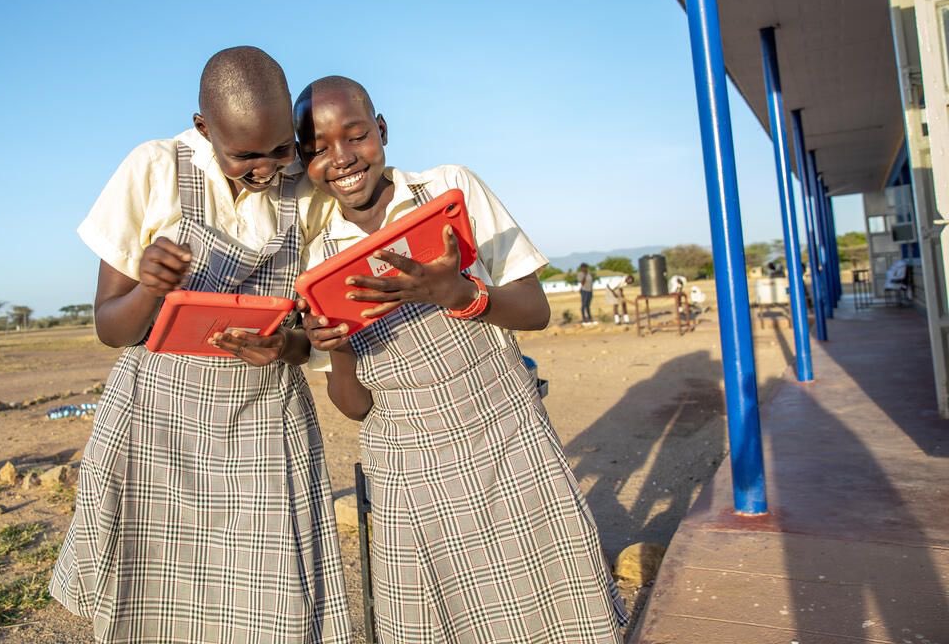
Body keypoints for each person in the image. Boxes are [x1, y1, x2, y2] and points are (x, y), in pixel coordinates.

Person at [295, 76, 627, 644]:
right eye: (319, 149)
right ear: (304, 161)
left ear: (382, 131)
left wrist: (461, 295)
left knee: (557, 616)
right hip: (408, 473)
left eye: (355, 136)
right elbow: (352, 408)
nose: (343, 159)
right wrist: (341, 350)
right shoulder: (317, 256)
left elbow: (535, 310)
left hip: (508, 440)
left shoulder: (450, 191)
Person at [50, 48, 352, 643]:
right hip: (158, 421)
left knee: (274, 601)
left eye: (281, 149)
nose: (266, 170)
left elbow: (309, 335)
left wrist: (286, 346)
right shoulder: (154, 169)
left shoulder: (308, 192)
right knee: (155, 602)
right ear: (203, 129)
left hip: (265, 417)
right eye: (243, 155)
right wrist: (149, 288)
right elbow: (112, 328)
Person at [578, 262, 597, 326]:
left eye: (586, 267)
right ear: (581, 268)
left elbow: (591, 282)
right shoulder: (580, 274)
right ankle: (584, 318)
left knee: (588, 305)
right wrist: (585, 275)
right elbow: (582, 283)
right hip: (584, 291)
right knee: (584, 305)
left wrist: (591, 291)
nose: (585, 269)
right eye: (584, 268)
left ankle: (589, 317)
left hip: (589, 291)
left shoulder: (589, 274)